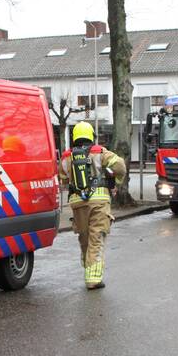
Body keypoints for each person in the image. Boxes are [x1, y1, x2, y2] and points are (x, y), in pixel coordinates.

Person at [59, 121, 127, 290]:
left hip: (77, 203)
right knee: (96, 237)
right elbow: (121, 167)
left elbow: (63, 178)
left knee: (84, 238)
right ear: (91, 136)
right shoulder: (100, 152)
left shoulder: (67, 157)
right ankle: (93, 279)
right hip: (99, 202)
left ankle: (88, 267)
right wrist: (116, 182)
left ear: (75, 137)